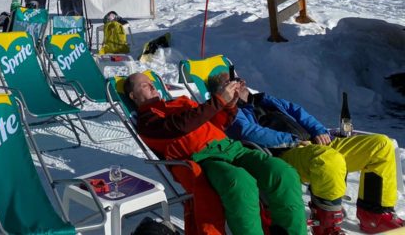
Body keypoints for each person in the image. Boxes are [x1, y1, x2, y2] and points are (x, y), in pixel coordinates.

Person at [208, 72, 404, 234]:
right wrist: (292, 140)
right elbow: (248, 132)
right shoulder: (229, 112)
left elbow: (297, 111)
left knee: (381, 145)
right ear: (223, 91)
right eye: (232, 81)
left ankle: (375, 215)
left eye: (240, 78)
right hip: (286, 153)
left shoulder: (263, 99)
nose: (241, 82)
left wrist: (319, 130)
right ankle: (327, 225)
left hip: (314, 143)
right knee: (328, 160)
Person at [126, 72, 307, 235]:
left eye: (151, 82)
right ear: (133, 96)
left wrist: (229, 105)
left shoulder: (180, 102)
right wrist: (218, 100)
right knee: (240, 183)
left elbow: (216, 121)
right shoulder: (148, 122)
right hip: (205, 159)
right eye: (143, 85)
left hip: (232, 148)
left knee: (283, 172)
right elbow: (181, 125)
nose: (151, 86)